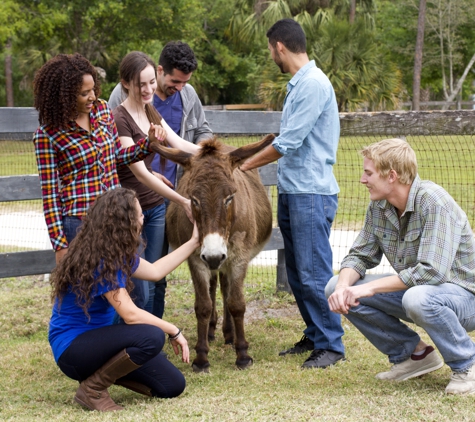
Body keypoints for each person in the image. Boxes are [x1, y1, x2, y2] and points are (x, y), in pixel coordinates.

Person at [326, 138, 475, 395]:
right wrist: (342, 287)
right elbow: (360, 256)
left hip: (465, 298)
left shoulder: (434, 202)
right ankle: (414, 356)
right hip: (422, 294)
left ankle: (468, 366)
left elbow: (432, 272)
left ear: (391, 176)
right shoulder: (380, 207)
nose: (363, 179)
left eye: (368, 172)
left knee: (418, 298)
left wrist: (369, 289)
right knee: (334, 286)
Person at [240, 18, 344, 369]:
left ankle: (331, 345)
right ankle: (316, 335)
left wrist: (243, 166)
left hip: (311, 193)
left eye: (271, 49)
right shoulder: (299, 84)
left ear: (279, 46)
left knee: (314, 272)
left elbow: (289, 142)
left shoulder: (313, 84)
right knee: (299, 273)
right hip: (295, 191)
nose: (272, 55)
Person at [49, 187, 200, 411]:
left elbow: (156, 271)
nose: (143, 218)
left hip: (97, 347)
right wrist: (173, 329)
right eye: (140, 214)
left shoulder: (114, 253)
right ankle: (92, 390)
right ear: (125, 221)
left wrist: (195, 241)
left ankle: (99, 377)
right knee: (152, 336)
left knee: (172, 385)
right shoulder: (100, 259)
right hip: (73, 349)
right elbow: (129, 314)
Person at [109, 42, 212, 316]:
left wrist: (217, 152)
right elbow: (138, 170)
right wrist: (182, 200)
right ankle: (131, 339)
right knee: (134, 283)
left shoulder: (151, 110)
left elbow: (179, 143)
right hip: (131, 209)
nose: (147, 89)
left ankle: (154, 337)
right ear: (127, 84)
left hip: (157, 206)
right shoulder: (119, 116)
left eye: (151, 83)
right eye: (141, 84)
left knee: (157, 277)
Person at [33, 53, 165, 265]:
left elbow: (117, 158)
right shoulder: (47, 135)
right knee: (90, 292)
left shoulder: (103, 111)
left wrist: (147, 144)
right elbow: (50, 195)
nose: (93, 96)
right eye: (84, 93)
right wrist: (60, 245)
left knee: (137, 288)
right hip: (79, 223)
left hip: (116, 217)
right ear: (64, 96)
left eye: (93, 89)